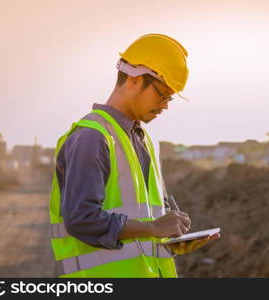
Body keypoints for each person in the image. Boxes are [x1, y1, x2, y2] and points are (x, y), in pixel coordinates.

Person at [49, 33, 220, 278]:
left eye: (170, 98)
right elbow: (81, 220)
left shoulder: (142, 140)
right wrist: (152, 228)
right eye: (162, 94)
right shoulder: (92, 138)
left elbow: (139, 224)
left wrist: (168, 238)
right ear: (133, 79)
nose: (166, 105)